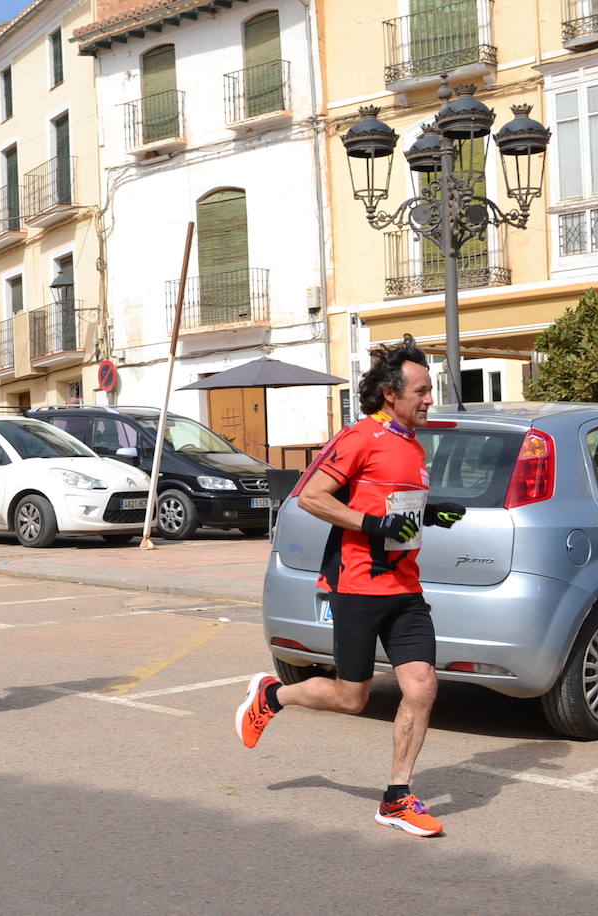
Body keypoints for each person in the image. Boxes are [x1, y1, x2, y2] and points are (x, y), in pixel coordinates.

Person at [234, 335, 466, 838]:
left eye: (430, 391)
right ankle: (274, 695)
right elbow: (312, 496)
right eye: (422, 391)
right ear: (391, 394)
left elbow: (394, 505)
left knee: (422, 687)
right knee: (352, 698)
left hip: (404, 587)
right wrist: (372, 526)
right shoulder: (360, 437)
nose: (430, 399)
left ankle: (397, 796)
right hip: (358, 584)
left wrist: (430, 511)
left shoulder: (411, 443)